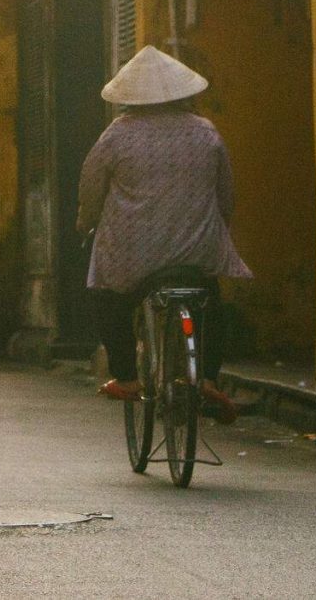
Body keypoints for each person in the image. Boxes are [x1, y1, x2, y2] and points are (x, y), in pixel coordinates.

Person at [76, 45, 248, 416]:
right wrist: (216, 229)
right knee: (211, 301)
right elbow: (226, 195)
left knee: (105, 299)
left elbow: (91, 188)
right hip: (194, 251)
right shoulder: (206, 133)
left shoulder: (116, 136)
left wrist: (86, 221)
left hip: (130, 255)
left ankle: (125, 376)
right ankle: (208, 378)